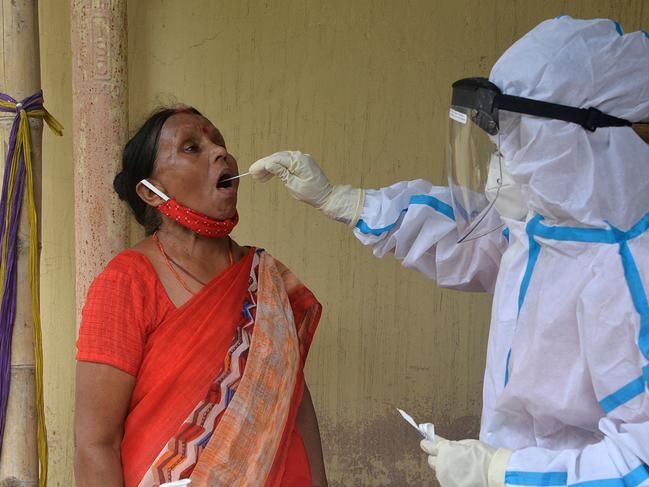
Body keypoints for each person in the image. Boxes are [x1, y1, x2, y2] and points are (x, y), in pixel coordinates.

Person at [249, 17, 649, 487]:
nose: (502, 162)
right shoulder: (553, 233)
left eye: (518, 139)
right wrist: (348, 201)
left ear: (589, 137)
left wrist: (502, 471)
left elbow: (639, 462)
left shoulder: (629, 276)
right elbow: (469, 236)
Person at [74, 107, 328, 487]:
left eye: (218, 141)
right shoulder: (127, 281)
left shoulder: (267, 279)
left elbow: (293, 402)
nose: (219, 152)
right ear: (150, 191)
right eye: (192, 147)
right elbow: (95, 443)